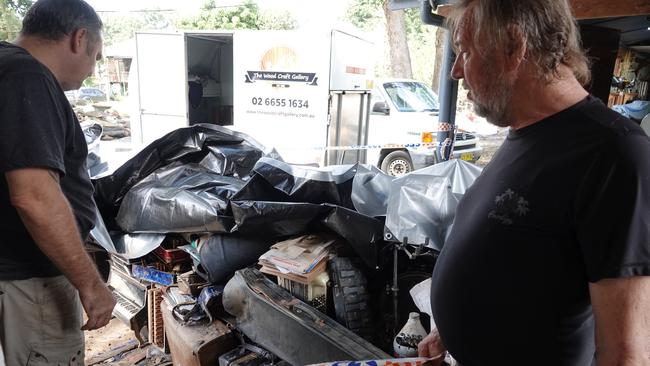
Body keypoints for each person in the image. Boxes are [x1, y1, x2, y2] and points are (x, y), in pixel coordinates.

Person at [418, 1, 650, 365]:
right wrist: (452, 330)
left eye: (465, 50)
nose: (456, 71)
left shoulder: (614, 153)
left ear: (514, 45)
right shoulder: (524, 132)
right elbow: (523, 266)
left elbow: (625, 354)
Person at [0, 0, 116, 364]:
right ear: (79, 39)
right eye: (96, 57)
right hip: (31, 281)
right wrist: (91, 284)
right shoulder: (27, 77)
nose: (92, 71)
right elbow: (33, 196)